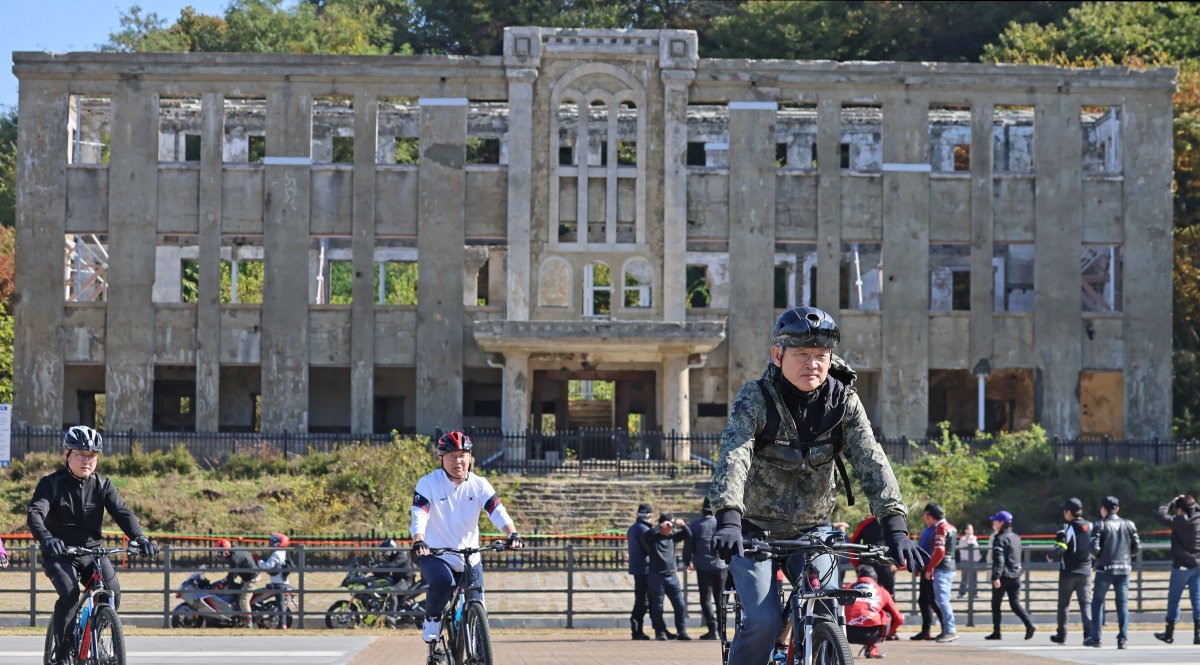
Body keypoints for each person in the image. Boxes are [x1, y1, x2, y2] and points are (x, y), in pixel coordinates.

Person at [707, 306, 928, 665]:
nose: (813, 364)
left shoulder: (843, 402)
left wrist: (896, 528)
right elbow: (734, 457)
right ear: (777, 355)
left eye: (821, 356)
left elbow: (872, 462)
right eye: (801, 355)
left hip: (814, 528)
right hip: (754, 529)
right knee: (762, 622)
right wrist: (729, 519)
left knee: (825, 603)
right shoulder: (757, 398)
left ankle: (811, 645)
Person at [27, 426, 159, 664]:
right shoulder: (51, 484)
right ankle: (63, 651)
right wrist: (47, 538)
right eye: (80, 454)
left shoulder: (102, 485)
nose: (87, 460)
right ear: (67, 453)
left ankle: (96, 631)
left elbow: (122, 512)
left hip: (92, 553)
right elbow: (36, 513)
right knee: (69, 593)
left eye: (92, 455)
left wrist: (140, 538)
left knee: (113, 593)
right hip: (60, 553)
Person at [411, 431, 523, 644]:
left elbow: (497, 511)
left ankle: (477, 644)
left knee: (478, 599)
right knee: (443, 582)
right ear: (440, 458)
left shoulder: (479, 484)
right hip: (435, 553)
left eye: (463, 455)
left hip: (470, 555)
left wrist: (512, 534)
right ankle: (432, 620)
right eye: (451, 456)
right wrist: (419, 539)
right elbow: (419, 514)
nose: (458, 461)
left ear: (470, 457)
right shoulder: (428, 483)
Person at [1087, 495, 1140, 650]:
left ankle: (1096, 638)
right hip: (1124, 568)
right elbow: (1137, 547)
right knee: (1122, 603)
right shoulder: (1129, 524)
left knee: (1097, 603)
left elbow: (1093, 548)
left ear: (1103, 509)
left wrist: (1100, 557)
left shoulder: (1100, 525)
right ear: (1117, 508)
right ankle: (1122, 639)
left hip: (1105, 569)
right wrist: (1125, 556)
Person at [1153, 491, 1200, 645]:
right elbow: (1194, 509)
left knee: (1174, 601)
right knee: (1197, 600)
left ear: (1180, 509)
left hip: (1180, 567)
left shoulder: (1178, 521)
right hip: (1197, 566)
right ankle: (1198, 634)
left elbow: (1160, 514)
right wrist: (1190, 504)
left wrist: (1172, 502)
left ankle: (1169, 633)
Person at [1046, 497, 1093, 645]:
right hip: (1086, 572)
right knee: (1086, 605)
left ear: (1068, 512)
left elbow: (1061, 547)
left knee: (1064, 605)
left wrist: (1050, 555)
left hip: (1068, 572)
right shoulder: (1092, 526)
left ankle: (1061, 635)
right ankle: (1089, 635)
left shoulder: (1065, 527)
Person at [984, 510, 1034, 641]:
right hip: (1016, 574)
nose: (993, 523)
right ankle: (1029, 625)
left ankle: (997, 631)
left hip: (1004, 576)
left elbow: (999, 559)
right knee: (1015, 603)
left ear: (1001, 523)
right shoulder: (1015, 537)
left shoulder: (999, 538)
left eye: (995, 521)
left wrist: (995, 576)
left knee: (996, 603)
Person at [643, 512, 692, 640]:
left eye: (672, 525)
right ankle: (660, 632)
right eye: (669, 525)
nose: (671, 528)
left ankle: (682, 631)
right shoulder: (653, 537)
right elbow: (646, 535)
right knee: (658, 606)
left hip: (672, 575)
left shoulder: (673, 537)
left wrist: (682, 525)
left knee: (680, 604)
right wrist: (659, 527)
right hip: (656, 576)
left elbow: (688, 534)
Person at [684, 498, 727, 640]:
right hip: (721, 565)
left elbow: (688, 546)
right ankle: (722, 630)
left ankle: (712, 629)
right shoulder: (721, 524)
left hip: (703, 566)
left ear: (702, 509)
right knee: (720, 598)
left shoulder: (695, 525)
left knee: (706, 598)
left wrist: (686, 561)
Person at [844, 566, 903, 659]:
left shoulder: (847, 587)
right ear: (875, 579)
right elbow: (899, 618)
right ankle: (872, 648)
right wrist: (885, 636)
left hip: (846, 633)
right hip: (871, 634)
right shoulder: (882, 591)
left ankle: (833, 649)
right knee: (886, 615)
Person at [922, 503, 958, 643]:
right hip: (950, 566)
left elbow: (940, 551)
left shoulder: (941, 528)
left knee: (942, 600)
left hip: (942, 568)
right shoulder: (951, 527)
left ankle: (950, 630)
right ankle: (947, 629)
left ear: (930, 515)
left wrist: (930, 568)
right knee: (942, 599)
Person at [216, 538, 265, 625]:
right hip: (248, 575)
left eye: (220, 551)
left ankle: (248, 622)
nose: (219, 554)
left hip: (251, 578)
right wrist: (227, 580)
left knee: (243, 601)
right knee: (238, 593)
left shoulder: (234, 558)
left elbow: (232, 574)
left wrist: (225, 583)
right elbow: (235, 571)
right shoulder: (235, 550)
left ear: (225, 550)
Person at [910, 513, 943, 641]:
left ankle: (946, 628)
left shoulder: (937, 530)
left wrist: (931, 568)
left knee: (933, 601)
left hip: (931, 570)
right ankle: (926, 631)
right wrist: (918, 566)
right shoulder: (926, 531)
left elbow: (936, 552)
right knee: (924, 601)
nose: (924, 518)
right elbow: (921, 550)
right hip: (924, 569)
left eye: (926, 516)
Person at [626, 503, 654, 640]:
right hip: (645, 568)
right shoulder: (644, 530)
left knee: (642, 599)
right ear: (649, 516)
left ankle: (639, 628)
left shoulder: (633, 528)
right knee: (643, 601)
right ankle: (637, 629)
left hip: (638, 568)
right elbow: (650, 550)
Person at [850, 515, 896, 596]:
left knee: (889, 595)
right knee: (865, 593)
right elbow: (853, 541)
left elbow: (899, 542)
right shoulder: (866, 523)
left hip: (886, 564)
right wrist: (857, 563)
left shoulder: (892, 523)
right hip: (868, 564)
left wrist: (897, 564)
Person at [258, 533, 292, 629]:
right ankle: (279, 622)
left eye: (273, 541)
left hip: (279, 583)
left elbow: (267, 566)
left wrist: (259, 562)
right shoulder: (282, 552)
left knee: (280, 604)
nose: (271, 543)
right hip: (281, 581)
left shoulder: (277, 553)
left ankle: (282, 624)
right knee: (279, 604)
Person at [956, 523, 982, 599]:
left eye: (972, 529)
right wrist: (967, 538)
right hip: (966, 560)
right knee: (964, 578)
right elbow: (962, 548)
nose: (972, 530)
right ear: (966, 530)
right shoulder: (963, 539)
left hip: (974, 561)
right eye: (970, 529)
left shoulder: (974, 538)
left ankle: (974, 593)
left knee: (974, 578)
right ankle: (961, 593)